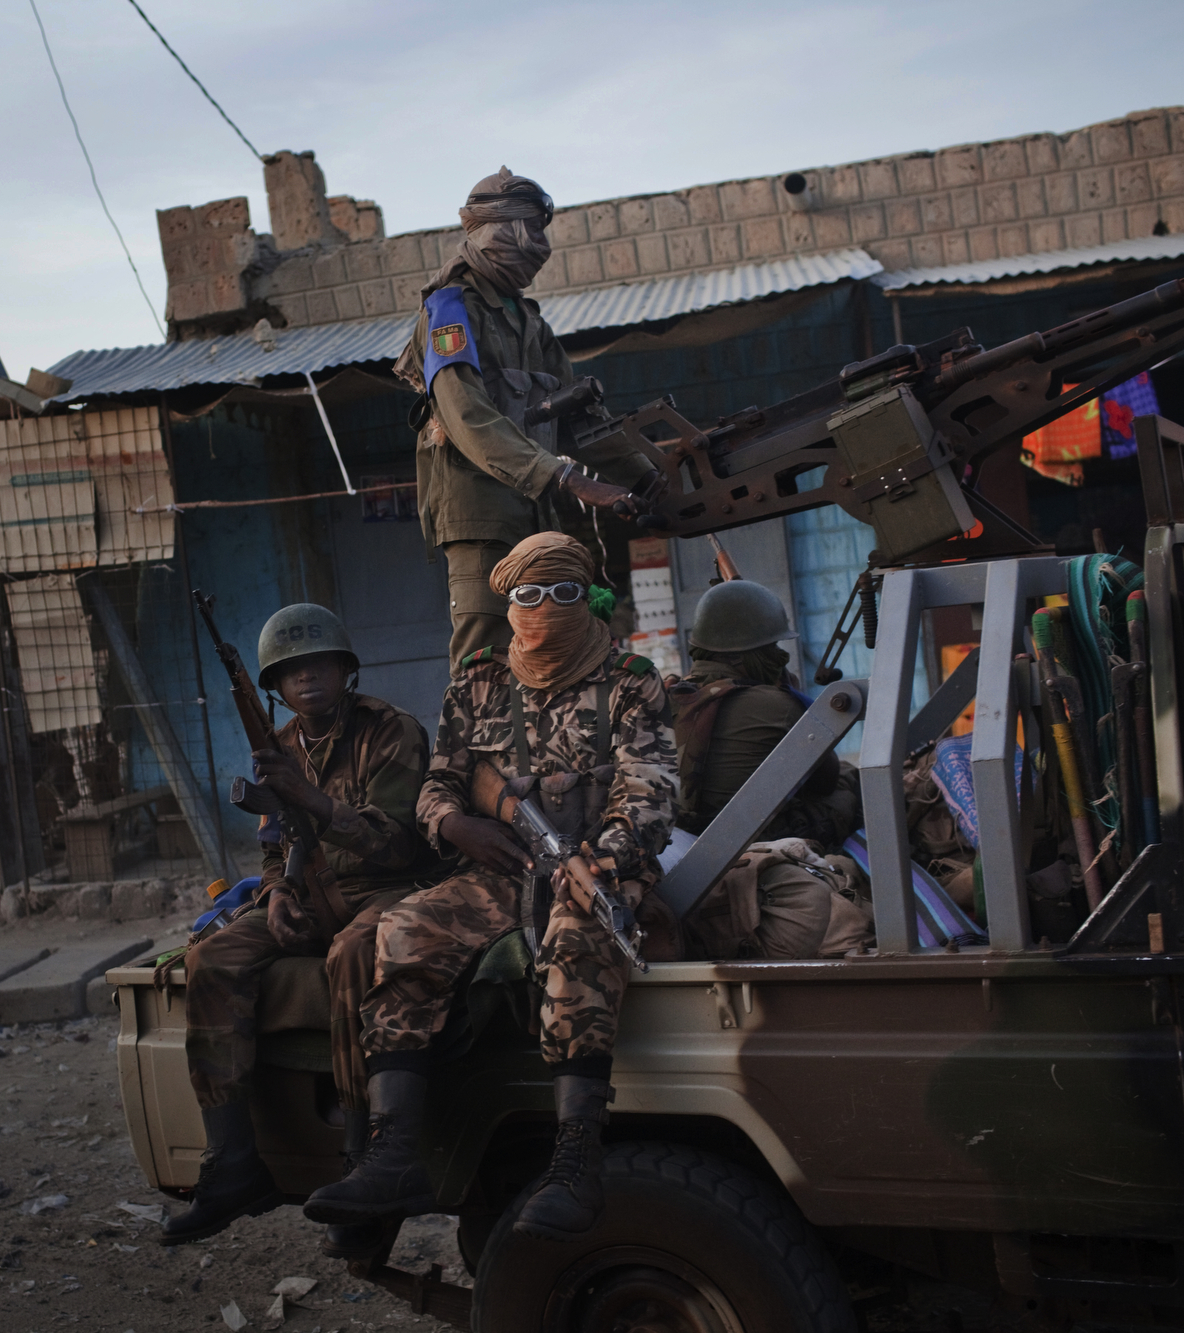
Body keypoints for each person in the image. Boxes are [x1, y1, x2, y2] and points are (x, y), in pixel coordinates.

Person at [303, 532, 677, 1241]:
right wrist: (455, 825)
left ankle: (575, 1163)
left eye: (563, 593)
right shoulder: (478, 678)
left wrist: (607, 854)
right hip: (500, 866)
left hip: (597, 864)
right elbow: (440, 781)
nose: (544, 610)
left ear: (586, 596)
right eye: (527, 596)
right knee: (406, 928)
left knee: (579, 933)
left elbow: (650, 789)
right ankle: (395, 1152)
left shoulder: (631, 679)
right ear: (506, 602)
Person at [163, 604, 438, 1254]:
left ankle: (361, 1167)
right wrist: (279, 890)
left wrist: (314, 799)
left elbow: (401, 845)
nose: (306, 677)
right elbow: (273, 843)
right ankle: (232, 1164)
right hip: (310, 893)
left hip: (389, 893)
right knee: (213, 953)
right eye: (291, 669)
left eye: (319, 663)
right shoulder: (279, 746)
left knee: (350, 955)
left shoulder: (390, 730)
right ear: (274, 686)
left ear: (344, 669)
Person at [394, 168, 662, 674]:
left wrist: (646, 476)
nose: (541, 246)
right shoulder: (449, 310)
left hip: (536, 520)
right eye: (532, 231)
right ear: (500, 232)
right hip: (482, 523)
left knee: (552, 660)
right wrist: (566, 477)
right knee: (486, 669)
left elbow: (578, 421)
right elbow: (465, 413)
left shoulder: (529, 321)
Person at [673, 580, 856, 848]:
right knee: (851, 786)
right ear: (741, 656)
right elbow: (825, 781)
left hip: (689, 836)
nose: (779, 656)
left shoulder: (673, 696)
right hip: (752, 841)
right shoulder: (776, 704)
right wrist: (793, 697)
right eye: (771, 648)